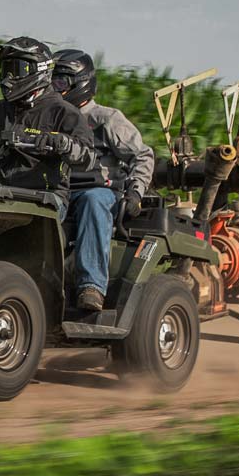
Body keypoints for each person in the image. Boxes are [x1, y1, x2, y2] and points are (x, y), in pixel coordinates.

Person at [53, 48, 154, 311]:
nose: (54, 88)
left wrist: (136, 192)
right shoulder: (50, 118)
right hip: (57, 190)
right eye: (51, 81)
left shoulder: (106, 119)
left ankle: (91, 287)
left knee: (93, 199)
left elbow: (142, 155)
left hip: (99, 191)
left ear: (81, 83)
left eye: (60, 82)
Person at [0, 37, 95, 210]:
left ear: (40, 70)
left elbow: (88, 158)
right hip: (3, 192)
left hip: (47, 197)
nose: (8, 77)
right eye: (5, 69)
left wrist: (63, 143)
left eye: (17, 69)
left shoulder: (63, 112)